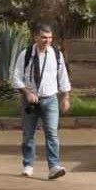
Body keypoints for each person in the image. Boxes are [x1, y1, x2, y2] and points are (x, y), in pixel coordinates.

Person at [12, 23, 71, 180]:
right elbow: (16, 78)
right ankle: (28, 165)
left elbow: (63, 76)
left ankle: (54, 167)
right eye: (44, 37)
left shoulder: (56, 54)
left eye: (50, 37)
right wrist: (27, 93)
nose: (47, 41)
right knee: (28, 134)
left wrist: (65, 97)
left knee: (52, 133)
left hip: (50, 99)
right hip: (30, 102)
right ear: (36, 37)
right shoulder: (25, 54)